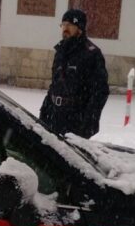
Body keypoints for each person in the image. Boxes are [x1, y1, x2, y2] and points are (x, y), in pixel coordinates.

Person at [39, 9, 109, 138]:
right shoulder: (60, 51)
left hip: (76, 119)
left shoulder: (92, 54)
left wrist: (89, 121)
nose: (65, 29)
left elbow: (100, 91)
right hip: (54, 116)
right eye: (63, 25)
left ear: (80, 28)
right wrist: (45, 110)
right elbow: (55, 84)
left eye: (69, 25)